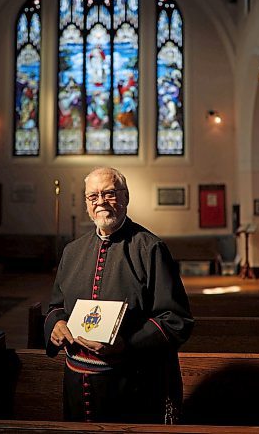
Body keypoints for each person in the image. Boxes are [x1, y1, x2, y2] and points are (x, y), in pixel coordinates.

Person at [44, 166, 194, 424]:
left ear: (125, 198)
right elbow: (57, 306)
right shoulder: (72, 252)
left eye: (110, 194)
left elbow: (176, 319)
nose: (101, 201)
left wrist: (128, 344)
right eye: (93, 196)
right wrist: (56, 324)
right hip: (76, 385)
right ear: (87, 203)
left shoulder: (150, 248)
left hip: (132, 385)